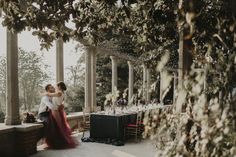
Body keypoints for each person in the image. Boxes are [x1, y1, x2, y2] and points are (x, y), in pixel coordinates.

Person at [45, 81, 78, 149]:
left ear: (59, 86)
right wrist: (61, 105)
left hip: (55, 110)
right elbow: (62, 102)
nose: (56, 87)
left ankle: (60, 142)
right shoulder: (63, 93)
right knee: (58, 126)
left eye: (57, 86)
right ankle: (61, 141)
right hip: (58, 110)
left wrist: (42, 93)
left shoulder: (59, 92)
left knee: (57, 127)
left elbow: (49, 95)